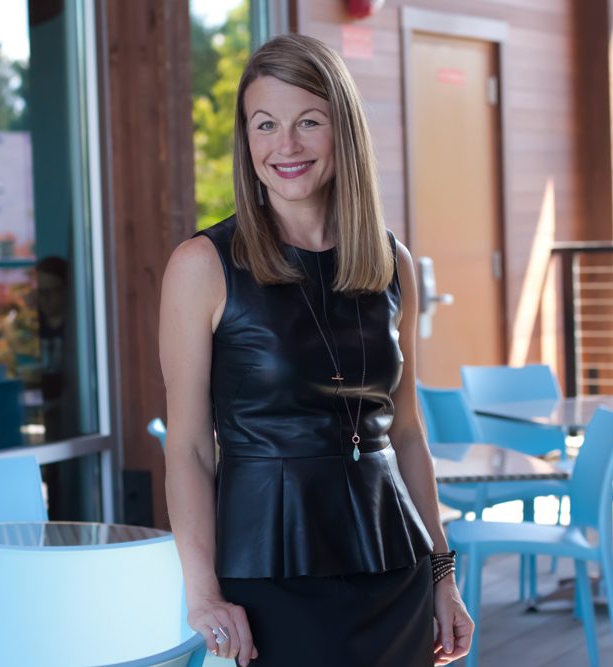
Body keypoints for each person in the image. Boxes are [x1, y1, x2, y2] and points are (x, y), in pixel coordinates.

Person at [159, 34, 473, 666]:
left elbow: (406, 433)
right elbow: (190, 446)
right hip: (267, 577)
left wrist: (443, 573)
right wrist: (202, 593)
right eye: (265, 124)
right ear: (247, 141)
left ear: (343, 133)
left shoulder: (392, 263)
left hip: (394, 568)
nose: (286, 145)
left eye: (309, 122)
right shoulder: (202, 266)